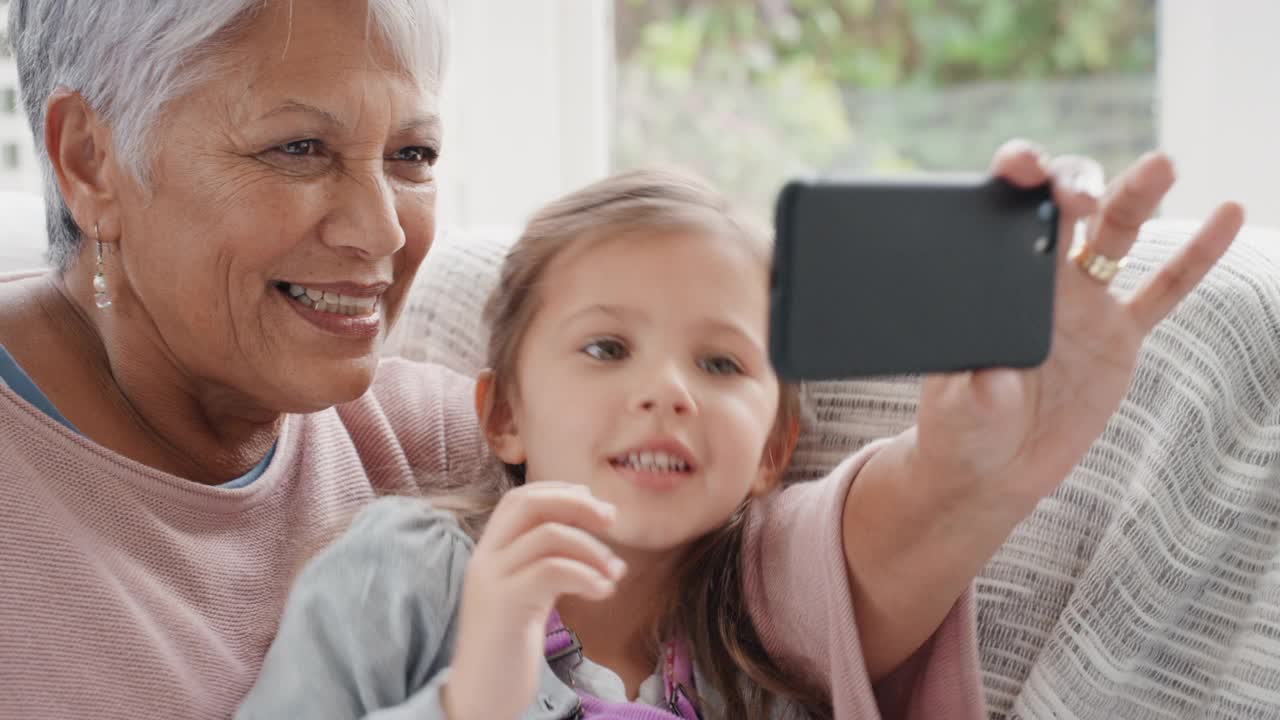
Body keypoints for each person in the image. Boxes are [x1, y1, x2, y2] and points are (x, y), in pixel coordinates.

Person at [0, 0, 1244, 718]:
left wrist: (980, 467)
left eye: (414, 156)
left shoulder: (439, 437)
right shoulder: (419, 553)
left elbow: (758, 577)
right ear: (91, 161)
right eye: (296, 150)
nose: (382, 233)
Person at [238, 161, 1243, 720]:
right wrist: (476, 697)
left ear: (770, 449)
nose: (666, 391)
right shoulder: (402, 575)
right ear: (502, 414)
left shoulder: (755, 662)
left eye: (720, 366)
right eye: (605, 347)